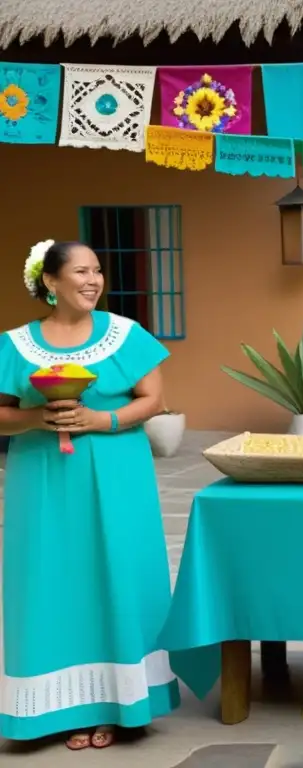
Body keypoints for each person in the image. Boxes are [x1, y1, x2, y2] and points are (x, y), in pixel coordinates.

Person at [0, 240, 179, 749]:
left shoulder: (126, 334)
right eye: (81, 271)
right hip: (43, 480)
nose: (93, 280)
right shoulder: (14, 344)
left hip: (119, 475)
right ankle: (58, 709)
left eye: (98, 271)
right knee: (51, 580)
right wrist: (38, 417)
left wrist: (103, 419)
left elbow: (153, 399)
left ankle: (122, 704)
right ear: (51, 282)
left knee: (118, 574)